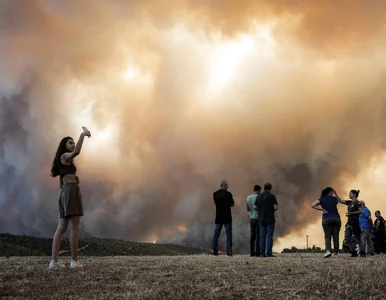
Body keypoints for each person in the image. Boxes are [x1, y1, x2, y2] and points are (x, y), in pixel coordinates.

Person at [49, 127, 91, 269]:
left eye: (73, 142)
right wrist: (83, 135)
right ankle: (74, 261)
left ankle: (54, 262)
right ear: (64, 146)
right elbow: (77, 151)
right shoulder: (64, 156)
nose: (73, 144)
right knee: (74, 227)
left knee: (61, 228)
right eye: (70, 143)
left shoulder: (64, 161)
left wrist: (73, 179)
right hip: (70, 192)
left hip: (66, 192)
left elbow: (62, 181)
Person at [311, 187, 342, 258]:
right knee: (336, 236)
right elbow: (339, 200)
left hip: (326, 218)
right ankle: (336, 253)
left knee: (327, 236)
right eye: (332, 192)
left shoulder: (321, 199)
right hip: (336, 218)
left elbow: (312, 205)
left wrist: (322, 209)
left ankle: (328, 251)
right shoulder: (334, 199)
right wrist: (336, 193)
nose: (333, 193)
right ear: (330, 192)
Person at [334, 189, 362, 257]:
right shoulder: (349, 202)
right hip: (349, 222)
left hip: (355, 222)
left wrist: (351, 213)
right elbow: (340, 201)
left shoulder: (357, 202)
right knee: (347, 239)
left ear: (354, 194)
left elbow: (360, 211)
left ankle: (361, 251)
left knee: (356, 238)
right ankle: (353, 252)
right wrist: (335, 194)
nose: (349, 195)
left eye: (350, 193)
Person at [212, 180, 235, 256]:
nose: (228, 187)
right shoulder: (228, 194)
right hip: (227, 217)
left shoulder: (215, 194)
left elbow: (216, 203)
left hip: (218, 217)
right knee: (228, 235)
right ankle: (229, 253)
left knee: (216, 235)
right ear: (224, 185)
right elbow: (232, 204)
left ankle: (215, 252)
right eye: (227, 185)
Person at [256, 183, 278, 257]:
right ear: (270, 188)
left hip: (261, 219)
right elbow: (275, 207)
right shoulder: (272, 196)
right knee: (269, 236)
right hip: (270, 219)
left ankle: (262, 254)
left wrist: (261, 209)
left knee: (262, 237)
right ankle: (268, 253)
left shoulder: (259, 196)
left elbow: (255, 207)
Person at [246, 185, 261, 257]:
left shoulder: (248, 197)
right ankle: (258, 253)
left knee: (252, 236)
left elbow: (247, 209)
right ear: (258, 190)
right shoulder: (259, 197)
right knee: (258, 236)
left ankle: (252, 252)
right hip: (258, 218)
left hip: (252, 218)